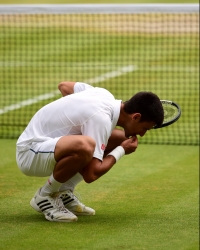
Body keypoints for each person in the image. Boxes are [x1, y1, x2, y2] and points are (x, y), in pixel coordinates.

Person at [16, 81, 164, 222]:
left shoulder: (103, 94)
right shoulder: (101, 119)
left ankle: (64, 190)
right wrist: (121, 150)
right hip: (30, 152)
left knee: (117, 138)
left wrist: (72, 117)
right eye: (145, 128)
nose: (142, 134)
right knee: (85, 145)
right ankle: (46, 195)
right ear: (136, 117)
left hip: (49, 146)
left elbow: (65, 86)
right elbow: (91, 174)